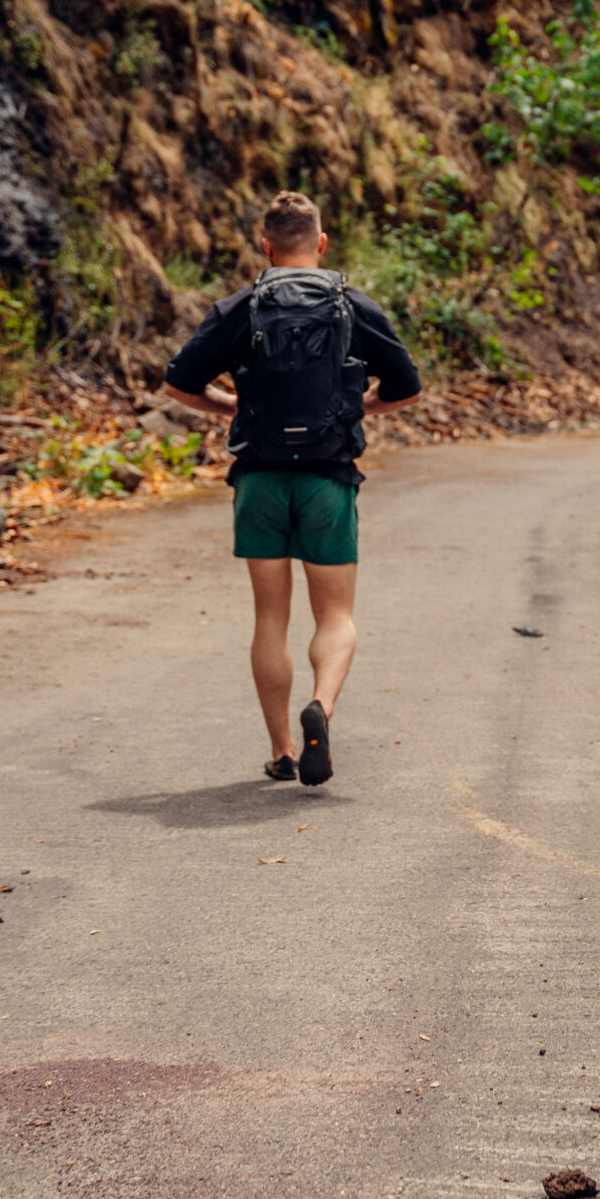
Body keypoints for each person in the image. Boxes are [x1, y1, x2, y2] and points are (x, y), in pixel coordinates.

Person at [163, 192, 421, 785]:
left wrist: (231, 405)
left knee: (269, 620)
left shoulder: (239, 308)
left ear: (266, 246)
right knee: (335, 616)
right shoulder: (352, 305)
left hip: (259, 478)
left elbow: (178, 385)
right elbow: (407, 388)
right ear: (321, 243)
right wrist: (355, 407)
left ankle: (282, 750)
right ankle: (321, 706)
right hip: (328, 478)